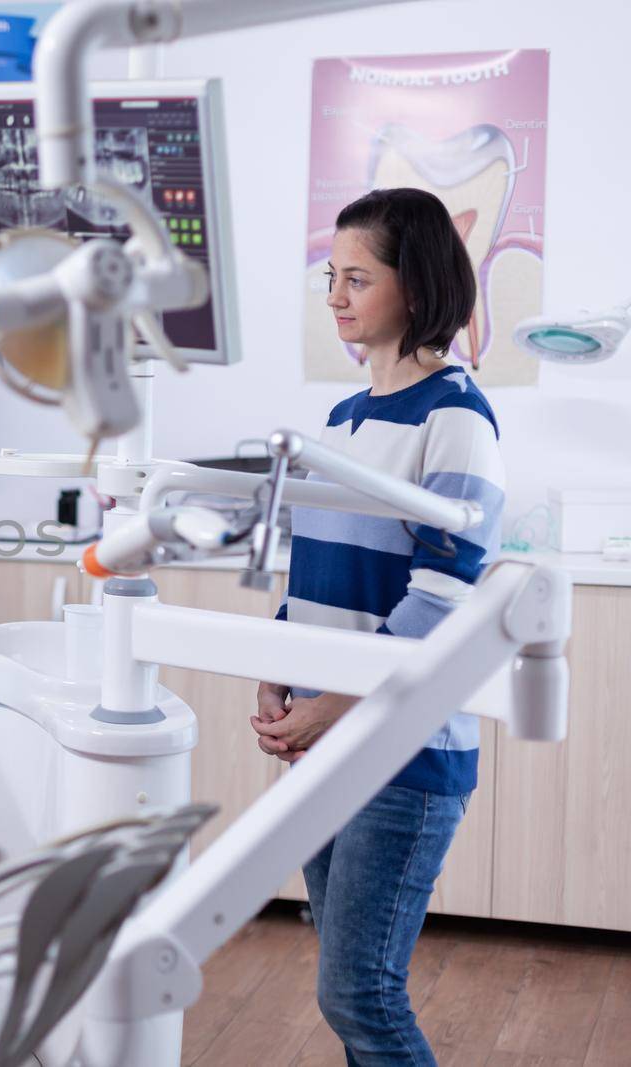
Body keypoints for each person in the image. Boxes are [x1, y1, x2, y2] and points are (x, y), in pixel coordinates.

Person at [250, 187, 504, 1065]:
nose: (336, 296)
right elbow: (310, 573)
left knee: (358, 989)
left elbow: (443, 597)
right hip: (329, 737)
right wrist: (276, 668)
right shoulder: (342, 422)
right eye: (332, 275)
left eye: (358, 277)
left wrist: (336, 705)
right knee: (347, 984)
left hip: (402, 748)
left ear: (417, 283)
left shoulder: (457, 418)